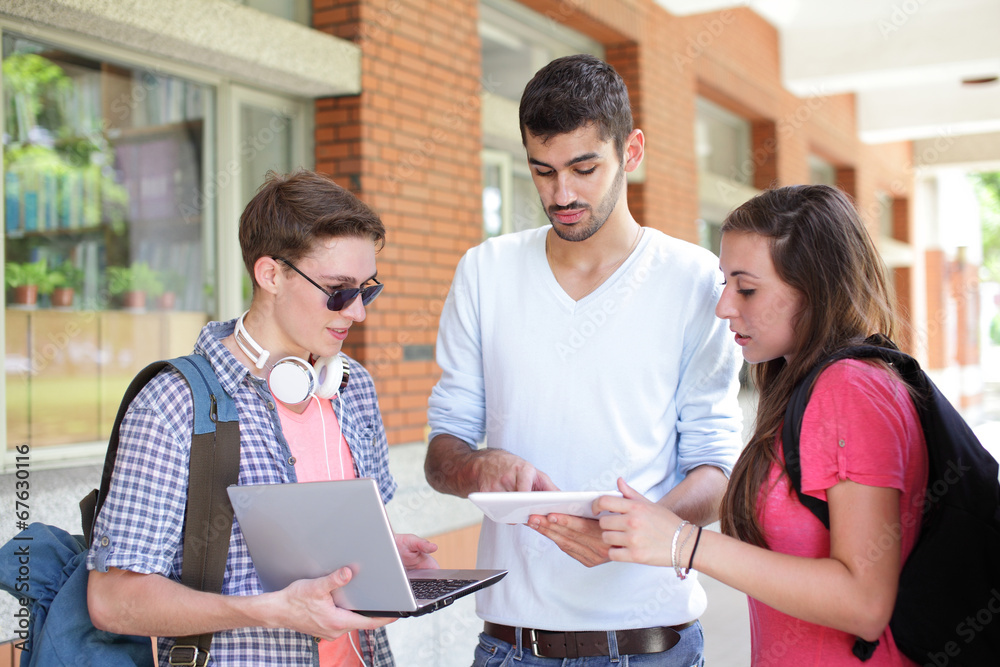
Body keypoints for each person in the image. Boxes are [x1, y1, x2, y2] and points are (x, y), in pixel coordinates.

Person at [424, 54, 743, 666]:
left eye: (584, 168)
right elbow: (444, 456)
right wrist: (475, 467)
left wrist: (641, 530)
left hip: (652, 645)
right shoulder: (484, 272)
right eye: (542, 172)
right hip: (510, 646)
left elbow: (715, 468)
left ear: (633, 151)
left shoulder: (694, 279)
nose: (562, 194)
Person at [87, 169, 439, 667]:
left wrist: (377, 558)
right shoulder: (174, 403)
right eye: (338, 290)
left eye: (367, 290)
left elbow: (336, 550)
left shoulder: (352, 388)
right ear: (271, 274)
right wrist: (270, 611)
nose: (357, 313)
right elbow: (112, 601)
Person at [596, 184, 928, 666]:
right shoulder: (810, 387)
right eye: (725, 283)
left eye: (746, 288)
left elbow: (864, 603)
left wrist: (681, 542)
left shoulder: (850, 391)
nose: (723, 306)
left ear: (813, 290)